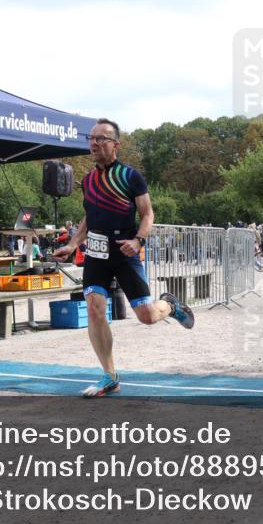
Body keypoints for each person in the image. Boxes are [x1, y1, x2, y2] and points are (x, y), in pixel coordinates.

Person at [53, 118, 194, 398]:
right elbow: (88, 217)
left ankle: (170, 304)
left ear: (115, 144)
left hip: (125, 250)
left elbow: (148, 213)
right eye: (91, 139)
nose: (93, 143)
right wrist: (72, 245)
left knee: (147, 316)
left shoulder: (131, 176)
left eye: (100, 139)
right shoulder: (88, 180)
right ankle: (109, 376)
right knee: (94, 307)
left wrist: (138, 240)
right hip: (96, 252)